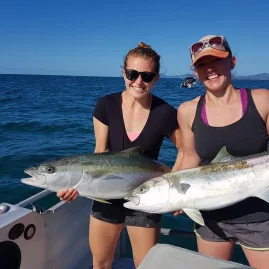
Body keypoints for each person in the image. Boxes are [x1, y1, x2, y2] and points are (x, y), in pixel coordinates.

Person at [57, 42, 182, 269]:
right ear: (123, 73)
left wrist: (175, 185)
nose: (138, 81)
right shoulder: (106, 105)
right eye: (133, 74)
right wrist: (77, 185)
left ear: (157, 78)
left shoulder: (165, 112)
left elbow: (186, 150)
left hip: (147, 197)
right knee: (101, 263)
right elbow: (100, 153)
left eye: (147, 76)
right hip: (106, 195)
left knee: (145, 265)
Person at [176, 34, 269, 269]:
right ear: (195, 72)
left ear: (232, 62)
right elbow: (190, 157)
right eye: (202, 64)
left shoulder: (262, 101)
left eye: (216, 60)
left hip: (260, 216)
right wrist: (176, 195)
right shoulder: (188, 110)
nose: (210, 69)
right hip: (211, 218)